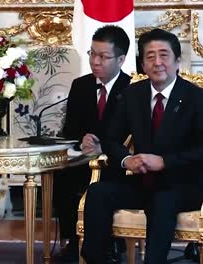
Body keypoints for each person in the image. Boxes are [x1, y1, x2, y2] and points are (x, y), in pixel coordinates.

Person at [81, 28, 203, 264]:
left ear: (177, 61)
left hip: (182, 185)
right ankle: (98, 258)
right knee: (97, 193)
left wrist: (165, 162)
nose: (157, 63)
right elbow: (111, 139)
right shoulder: (132, 95)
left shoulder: (196, 98)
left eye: (164, 55)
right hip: (142, 181)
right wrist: (128, 160)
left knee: (162, 200)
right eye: (150, 56)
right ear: (142, 64)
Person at [53, 25, 131, 262]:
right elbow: (70, 130)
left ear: (120, 59)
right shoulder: (81, 85)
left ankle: (111, 244)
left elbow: (132, 133)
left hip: (117, 161)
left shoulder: (133, 88)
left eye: (103, 57)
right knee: (62, 176)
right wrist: (82, 138)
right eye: (92, 54)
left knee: (105, 184)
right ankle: (73, 241)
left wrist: (104, 147)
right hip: (84, 157)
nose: (95, 61)